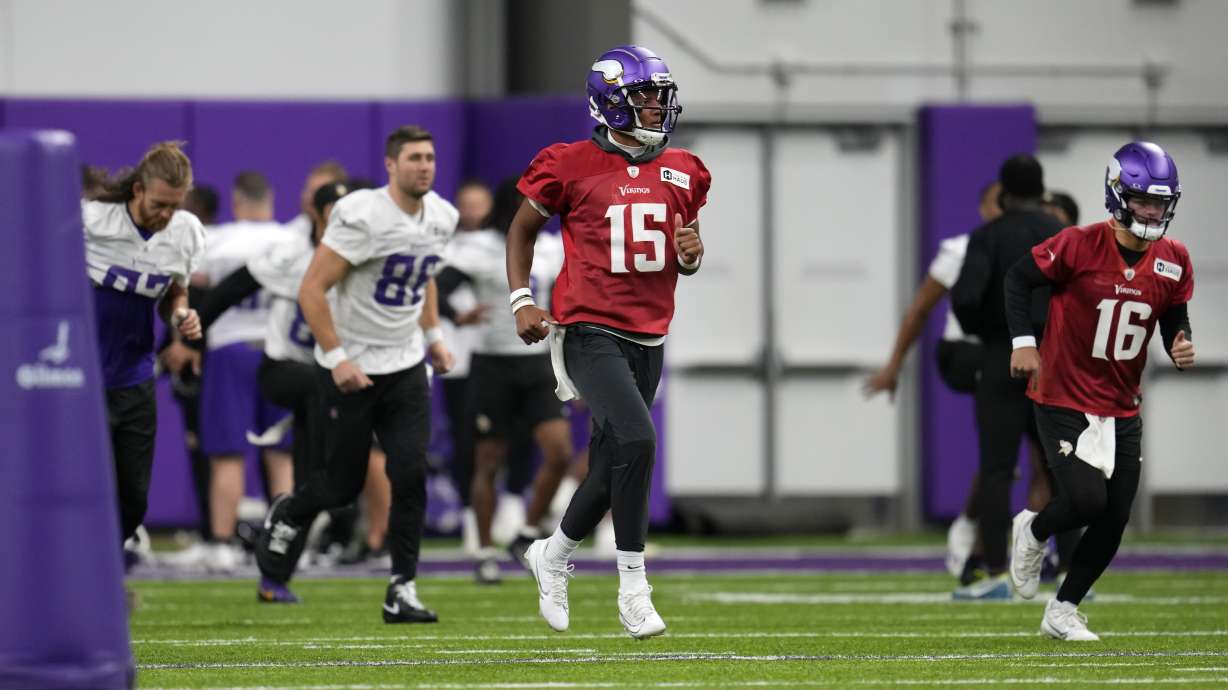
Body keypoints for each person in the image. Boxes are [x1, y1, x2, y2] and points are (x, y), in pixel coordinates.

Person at [507, 45, 710, 638]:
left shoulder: (685, 170)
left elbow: (683, 249)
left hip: (649, 333)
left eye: (659, 95)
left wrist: (692, 259)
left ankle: (553, 553)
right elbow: (521, 230)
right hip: (588, 328)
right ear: (611, 101)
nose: (655, 106)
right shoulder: (567, 163)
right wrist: (522, 299)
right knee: (639, 439)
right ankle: (632, 586)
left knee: (611, 461)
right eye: (644, 95)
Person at [254, 125, 457, 623]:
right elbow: (311, 289)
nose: (424, 166)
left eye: (430, 157)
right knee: (340, 487)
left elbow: (422, 276)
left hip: (406, 363)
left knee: (409, 472)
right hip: (353, 368)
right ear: (391, 165)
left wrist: (433, 338)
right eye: (413, 158)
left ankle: (402, 587)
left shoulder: (443, 216)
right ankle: (292, 510)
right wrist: (338, 356)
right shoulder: (361, 214)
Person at [1007, 141, 1194, 640]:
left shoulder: (1173, 259)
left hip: (1121, 402)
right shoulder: (1078, 244)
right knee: (1086, 502)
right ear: (1117, 195)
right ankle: (1034, 529)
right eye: (1143, 201)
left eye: (1160, 203)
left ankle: (1063, 609)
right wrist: (1024, 342)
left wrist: (1180, 338)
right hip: (1063, 393)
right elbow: (1018, 280)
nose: (1153, 212)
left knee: (1115, 516)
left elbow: (1173, 308)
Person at [864, 181, 1000, 581]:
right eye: (996, 203)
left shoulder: (1033, 244)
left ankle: (1041, 550)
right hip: (968, 352)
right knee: (1001, 454)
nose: (1002, 211)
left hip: (1019, 356)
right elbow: (920, 310)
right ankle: (978, 541)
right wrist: (893, 366)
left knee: (1028, 455)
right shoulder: (961, 248)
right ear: (982, 206)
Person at [438, 178, 570, 584]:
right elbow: (436, 286)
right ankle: (483, 549)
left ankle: (526, 534)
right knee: (488, 461)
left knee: (559, 453)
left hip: (538, 364)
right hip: (493, 364)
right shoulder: (479, 248)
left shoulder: (551, 247)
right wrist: (455, 314)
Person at [949, 154, 1066, 599]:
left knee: (998, 469)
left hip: (1001, 357)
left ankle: (995, 569)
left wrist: (994, 334)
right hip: (1054, 362)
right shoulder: (1063, 236)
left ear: (1002, 192)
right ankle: (1071, 568)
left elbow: (965, 300)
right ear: (1041, 190)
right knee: (1061, 467)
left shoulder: (987, 237)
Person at [84, 141, 205, 546]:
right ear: (138, 190)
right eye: (159, 204)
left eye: (175, 205)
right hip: (80, 378)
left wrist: (180, 317)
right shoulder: (90, 221)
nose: (167, 215)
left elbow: (175, 292)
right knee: (79, 487)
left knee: (133, 499)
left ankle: (100, 572)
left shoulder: (183, 232)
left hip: (134, 376)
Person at [192, 171, 296, 573]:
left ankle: (221, 542)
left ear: (237, 203)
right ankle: (286, 542)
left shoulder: (218, 241)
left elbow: (190, 280)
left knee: (227, 455)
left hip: (229, 349)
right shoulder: (288, 240)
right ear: (270, 200)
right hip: (277, 350)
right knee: (280, 455)